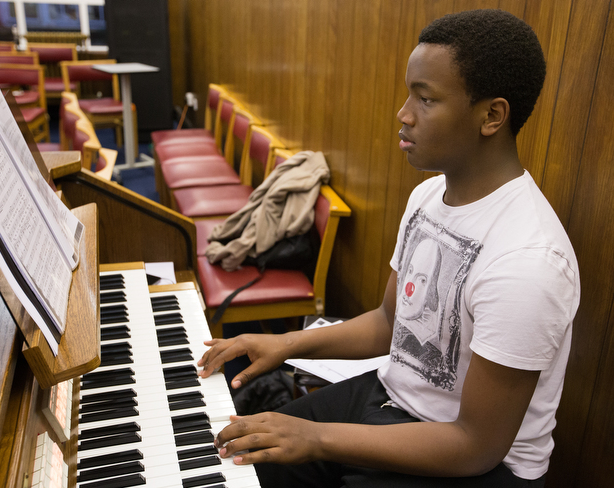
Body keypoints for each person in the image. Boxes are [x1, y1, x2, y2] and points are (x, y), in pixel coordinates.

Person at [198, 9, 580, 488]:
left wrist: (317, 438)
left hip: (477, 463)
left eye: (425, 98)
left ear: (491, 116)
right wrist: (285, 344)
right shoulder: (427, 196)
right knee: (241, 459)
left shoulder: (528, 262)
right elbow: (389, 322)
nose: (403, 113)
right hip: (392, 399)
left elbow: (475, 445)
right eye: (409, 93)